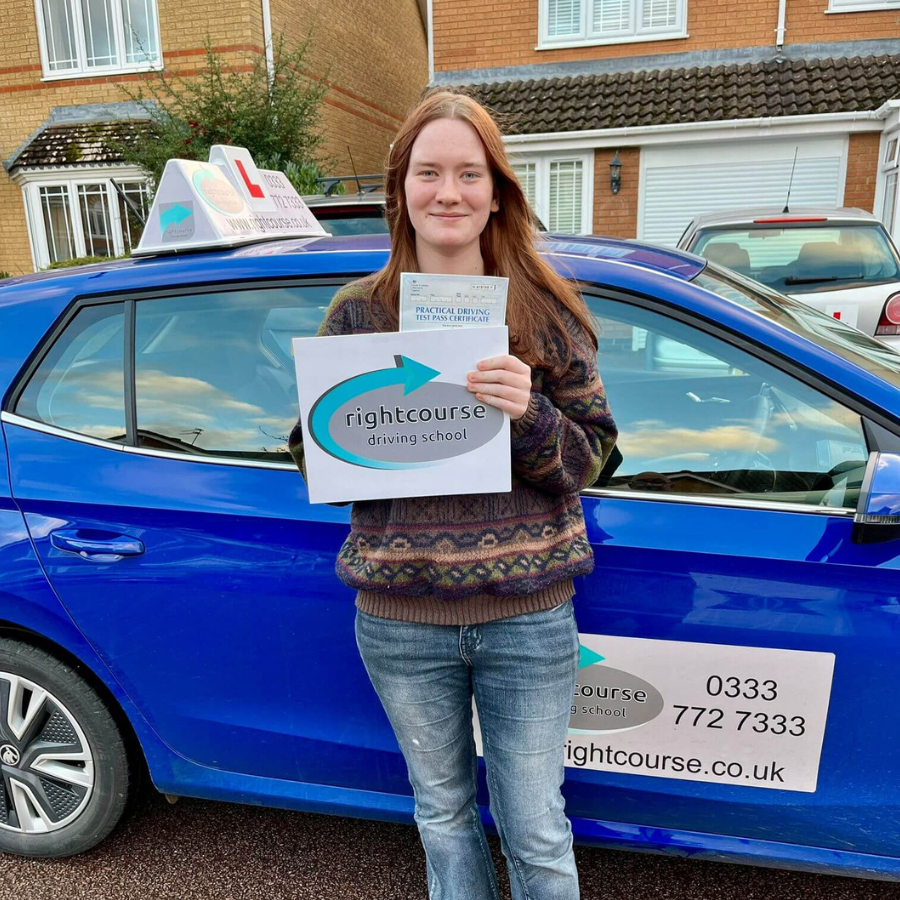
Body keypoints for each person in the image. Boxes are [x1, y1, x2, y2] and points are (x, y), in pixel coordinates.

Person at [289, 88, 617, 900]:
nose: (449, 193)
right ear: (400, 188)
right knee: (440, 814)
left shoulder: (543, 311)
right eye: (428, 172)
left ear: (497, 190)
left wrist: (527, 409)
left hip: (528, 619)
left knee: (536, 824)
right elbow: (311, 461)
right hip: (401, 624)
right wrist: (351, 426)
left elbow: (594, 460)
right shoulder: (360, 314)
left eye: (469, 174)